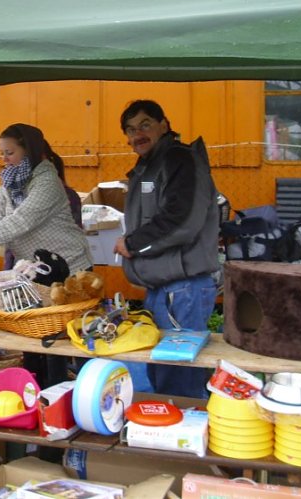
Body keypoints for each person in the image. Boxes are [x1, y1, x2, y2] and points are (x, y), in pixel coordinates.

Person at [112, 100, 220, 398]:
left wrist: (132, 243)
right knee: (164, 371)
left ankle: (182, 438)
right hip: (166, 287)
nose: (138, 135)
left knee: (179, 378)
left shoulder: (179, 160)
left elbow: (182, 218)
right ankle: (166, 435)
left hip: (182, 288)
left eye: (145, 125)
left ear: (164, 124)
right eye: (131, 130)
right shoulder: (151, 164)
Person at [0, 123, 92, 275]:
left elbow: (19, 222)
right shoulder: (9, 185)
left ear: (29, 151)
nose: (4, 159)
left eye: (10, 152)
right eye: (2, 153)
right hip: (35, 270)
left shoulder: (48, 182)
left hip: (70, 267)